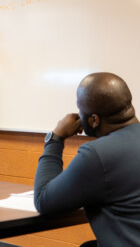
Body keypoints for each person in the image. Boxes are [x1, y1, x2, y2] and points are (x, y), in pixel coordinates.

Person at [34, 72, 140, 247]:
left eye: (80, 109)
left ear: (94, 120)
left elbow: (43, 201)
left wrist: (55, 138)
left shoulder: (99, 154)